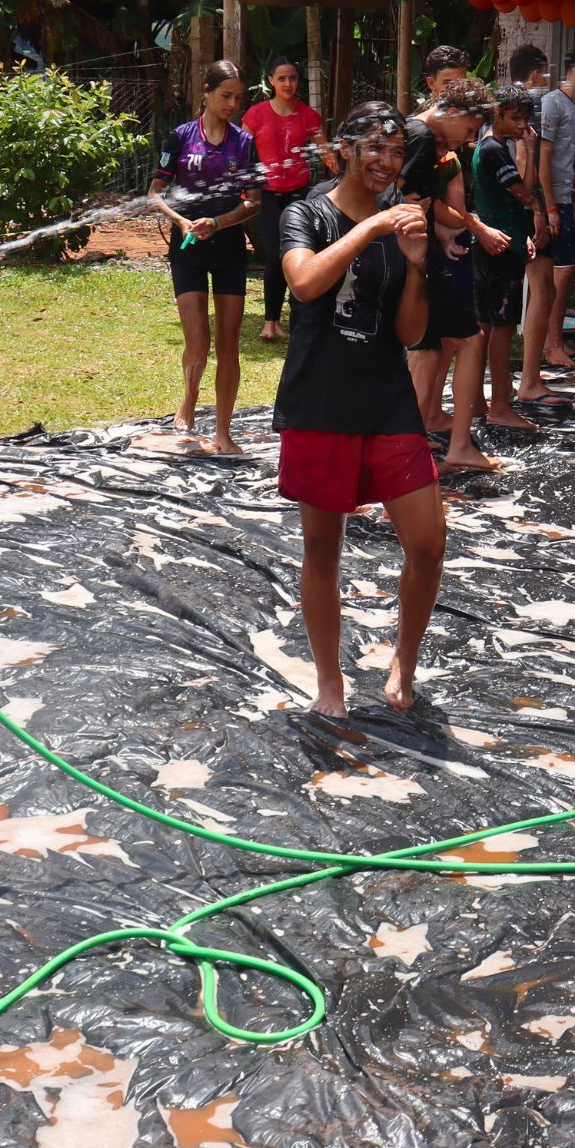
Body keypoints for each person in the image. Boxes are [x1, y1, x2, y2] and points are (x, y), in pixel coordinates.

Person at [276, 102, 445, 716]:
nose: (388, 163)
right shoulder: (307, 213)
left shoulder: (398, 226)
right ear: (344, 148)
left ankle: (405, 660)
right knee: (323, 548)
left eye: (397, 153)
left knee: (427, 542)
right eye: (375, 148)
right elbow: (304, 282)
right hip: (321, 401)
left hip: (386, 400)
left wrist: (419, 265)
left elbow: (408, 332)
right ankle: (329, 681)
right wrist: (369, 231)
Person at [150, 61, 264, 453]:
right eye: (225, 96)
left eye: (238, 97)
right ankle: (190, 398)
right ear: (206, 92)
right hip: (187, 250)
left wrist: (219, 221)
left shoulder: (244, 142)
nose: (232, 104)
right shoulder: (181, 137)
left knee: (229, 343)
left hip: (229, 249)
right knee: (198, 343)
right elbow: (154, 193)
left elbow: (254, 202)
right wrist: (181, 222)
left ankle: (223, 432)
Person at [399, 74, 502, 471]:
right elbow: (415, 201)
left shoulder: (412, 130)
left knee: (427, 352)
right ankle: (446, 447)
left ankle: (416, 446)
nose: (470, 138)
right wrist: (468, 223)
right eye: (470, 128)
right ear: (453, 112)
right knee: (464, 343)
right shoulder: (422, 138)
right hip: (418, 259)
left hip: (420, 254)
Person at [522, 44, 575, 401]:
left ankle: (552, 342)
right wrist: (549, 206)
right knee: (556, 277)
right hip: (552, 203)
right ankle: (551, 344)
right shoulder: (553, 103)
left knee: (562, 277)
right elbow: (542, 156)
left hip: (569, 201)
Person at [241, 56, 332, 344]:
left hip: (299, 193)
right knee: (275, 255)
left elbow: (327, 153)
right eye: (281, 78)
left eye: (292, 78)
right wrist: (241, 185)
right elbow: (241, 153)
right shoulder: (255, 115)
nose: (288, 83)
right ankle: (270, 322)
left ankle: (300, 317)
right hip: (266, 194)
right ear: (270, 81)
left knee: (300, 253)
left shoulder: (308, 116)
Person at [471, 83, 542, 432]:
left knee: (485, 326)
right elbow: (525, 195)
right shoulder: (496, 150)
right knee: (500, 330)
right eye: (515, 118)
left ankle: (475, 400)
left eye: (525, 119)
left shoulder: (488, 145)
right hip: (501, 249)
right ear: (496, 114)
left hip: (492, 244)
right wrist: (531, 152)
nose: (521, 125)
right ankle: (499, 405)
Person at [506, 45, 557, 404]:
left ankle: (524, 378)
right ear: (536, 73)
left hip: (509, 210)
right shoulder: (526, 109)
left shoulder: (501, 107)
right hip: (521, 210)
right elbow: (527, 165)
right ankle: (528, 380)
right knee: (543, 290)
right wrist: (540, 207)